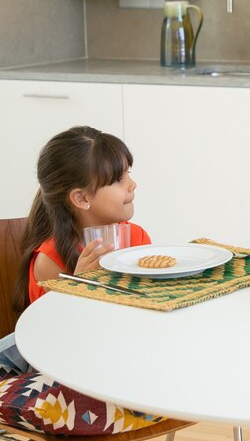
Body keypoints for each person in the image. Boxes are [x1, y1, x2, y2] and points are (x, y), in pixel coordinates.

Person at [12, 125, 152, 311]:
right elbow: (53, 328)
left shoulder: (137, 237)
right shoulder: (50, 261)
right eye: (119, 179)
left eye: (129, 174)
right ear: (82, 198)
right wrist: (77, 286)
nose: (132, 185)